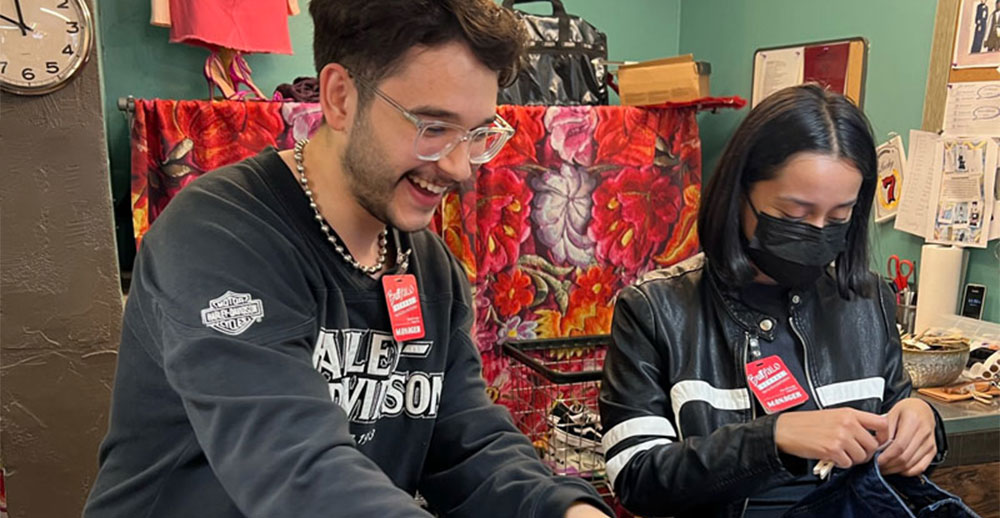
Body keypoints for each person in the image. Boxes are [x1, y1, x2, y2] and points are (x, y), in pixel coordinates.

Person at [83, 1, 612, 517]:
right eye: (433, 128)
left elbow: (466, 443)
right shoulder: (215, 239)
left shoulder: (428, 267)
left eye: (477, 135)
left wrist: (565, 509)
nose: (459, 167)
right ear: (339, 98)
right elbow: (296, 468)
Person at [599, 85, 947, 518]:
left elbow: (896, 422)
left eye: (839, 216)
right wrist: (772, 438)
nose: (817, 231)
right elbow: (636, 478)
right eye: (793, 215)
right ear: (739, 193)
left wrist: (921, 421)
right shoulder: (654, 310)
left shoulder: (868, 300)